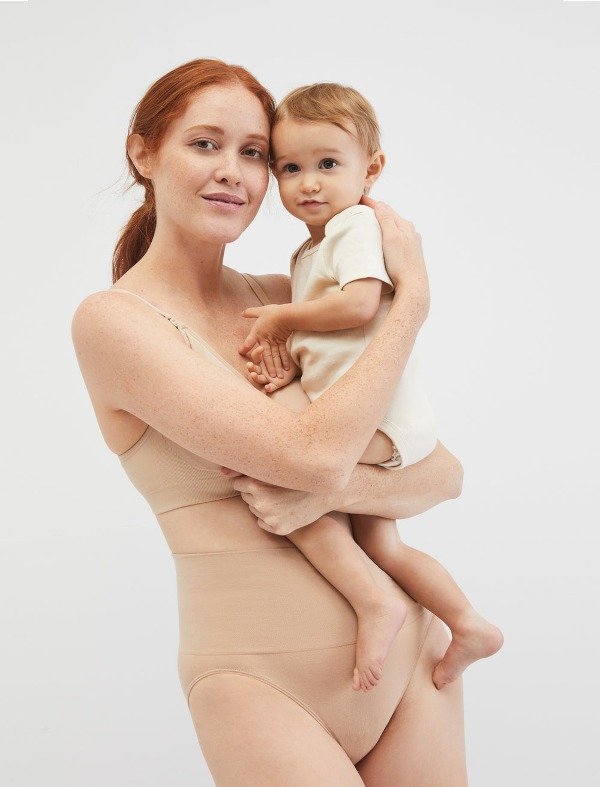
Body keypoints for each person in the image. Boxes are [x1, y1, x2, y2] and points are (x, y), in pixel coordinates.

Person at [71, 58, 469, 785]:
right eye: (205, 144)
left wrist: (328, 494)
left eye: (254, 152)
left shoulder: (291, 299)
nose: (233, 171)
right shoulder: (117, 323)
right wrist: (409, 303)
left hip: (411, 660)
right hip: (260, 686)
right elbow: (313, 458)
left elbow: (442, 473)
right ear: (143, 153)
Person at [236, 82, 503, 693]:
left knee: (292, 476)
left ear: (371, 169)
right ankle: (468, 623)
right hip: (370, 413)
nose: (308, 183)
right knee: (383, 542)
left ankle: (374, 604)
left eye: (328, 164)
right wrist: (294, 366)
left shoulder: (355, 225)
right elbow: (339, 341)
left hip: (382, 418)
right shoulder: (310, 250)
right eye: (290, 168)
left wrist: (281, 318)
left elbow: (360, 305)